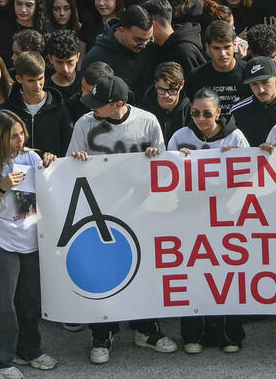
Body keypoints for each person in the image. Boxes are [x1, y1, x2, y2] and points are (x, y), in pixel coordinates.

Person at [67, 75, 178, 363]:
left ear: (118, 104)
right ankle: (102, 333)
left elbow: (164, 167)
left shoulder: (147, 121)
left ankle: (146, 328)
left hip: (139, 209)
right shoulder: (84, 123)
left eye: (98, 105)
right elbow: (69, 166)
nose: (92, 109)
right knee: (102, 272)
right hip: (100, 210)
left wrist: (156, 156)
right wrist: (76, 159)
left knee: (145, 270)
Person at [0, 110, 59, 377]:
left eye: (22, 133)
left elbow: (47, 187)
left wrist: (50, 163)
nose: (20, 139)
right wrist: (1, 188)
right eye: (13, 136)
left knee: (30, 300)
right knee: (3, 304)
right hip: (2, 242)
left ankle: (29, 350)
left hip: (31, 239)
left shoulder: (31, 157)